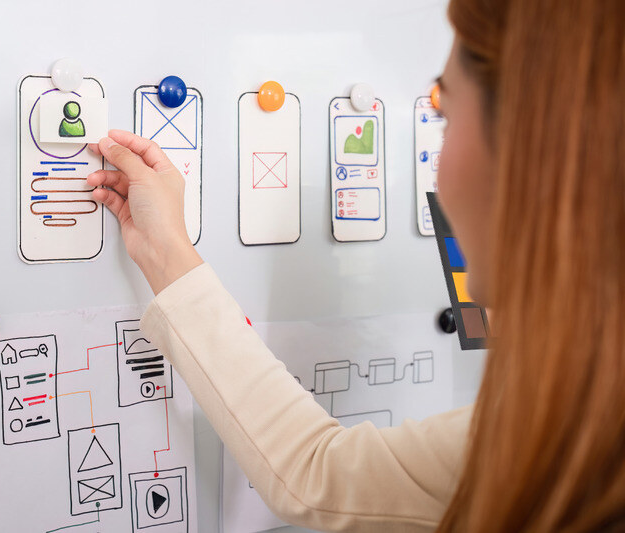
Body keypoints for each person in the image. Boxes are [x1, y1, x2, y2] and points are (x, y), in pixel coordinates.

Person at [87, 0, 625, 530]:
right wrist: (163, 249)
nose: (437, 174)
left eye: (446, 117)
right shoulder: (575, 430)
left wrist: (166, 249)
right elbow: (314, 474)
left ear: (535, 154)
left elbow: (314, 475)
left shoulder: (546, 449)